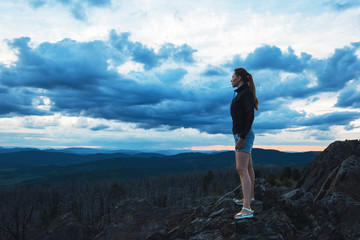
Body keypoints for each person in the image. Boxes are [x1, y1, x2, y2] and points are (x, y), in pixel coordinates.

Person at [230, 67, 259, 219]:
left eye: (233, 76)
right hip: (243, 134)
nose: (231, 79)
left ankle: (246, 208)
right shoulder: (243, 92)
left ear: (239, 78)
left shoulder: (245, 93)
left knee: (241, 169)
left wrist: (242, 136)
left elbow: (250, 117)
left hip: (244, 135)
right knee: (247, 167)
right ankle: (250, 198)